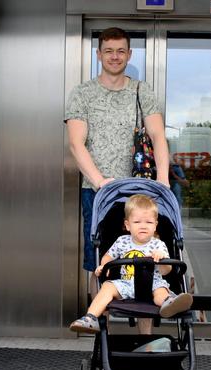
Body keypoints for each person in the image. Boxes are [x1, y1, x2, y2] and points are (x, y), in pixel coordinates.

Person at [65, 27, 171, 333]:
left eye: (121, 50)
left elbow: (158, 135)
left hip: (141, 192)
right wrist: (100, 181)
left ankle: (146, 334)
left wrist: (162, 179)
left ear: (129, 54)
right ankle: (103, 332)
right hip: (98, 192)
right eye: (108, 51)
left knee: (149, 254)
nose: (115, 56)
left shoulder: (141, 90)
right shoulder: (82, 93)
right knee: (99, 256)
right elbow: (76, 143)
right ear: (99, 54)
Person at [69, 195, 193, 333]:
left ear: (155, 225)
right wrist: (104, 266)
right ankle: (90, 317)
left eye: (149, 222)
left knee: (161, 291)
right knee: (107, 287)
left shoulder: (158, 245)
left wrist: (161, 258)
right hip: (126, 283)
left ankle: (169, 303)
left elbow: (166, 271)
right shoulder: (122, 241)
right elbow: (108, 256)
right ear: (128, 225)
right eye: (137, 222)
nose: (143, 226)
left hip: (152, 284)